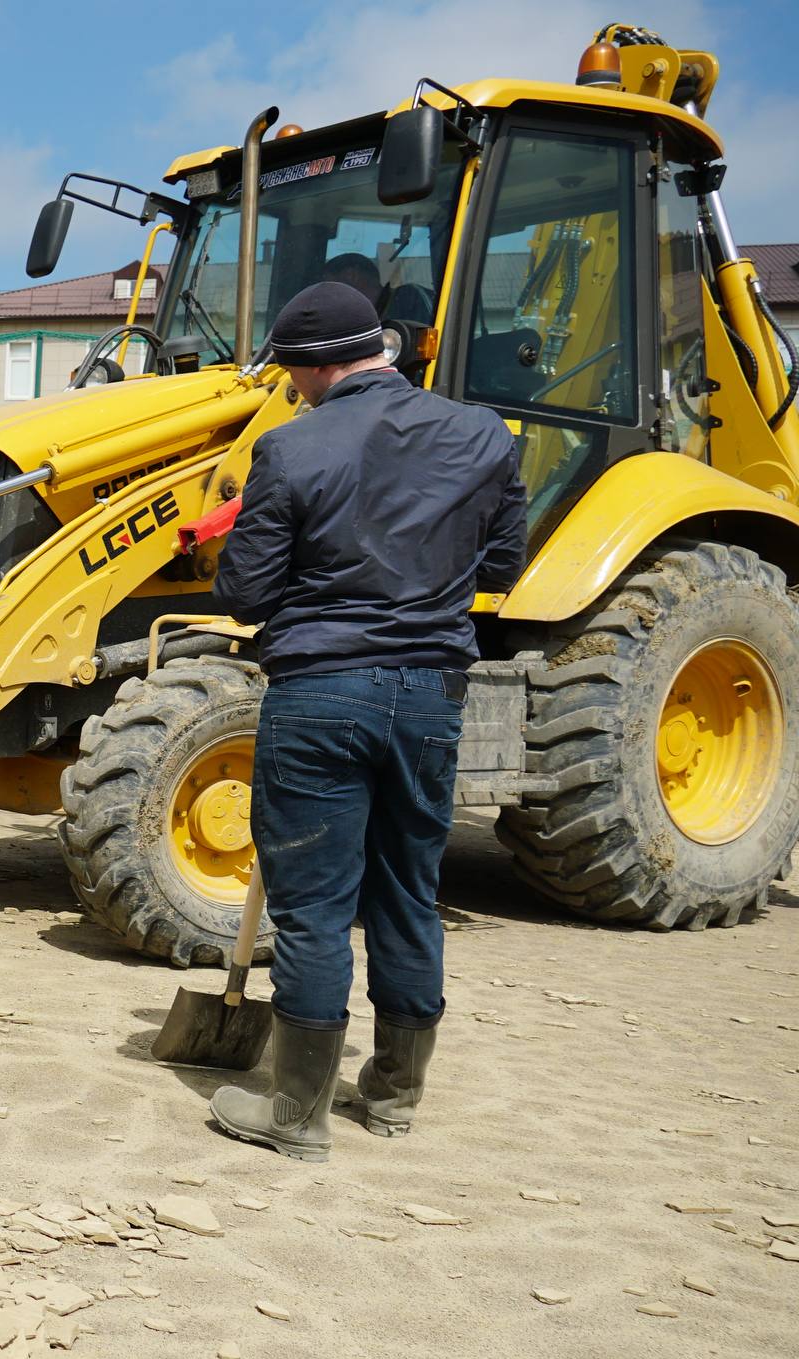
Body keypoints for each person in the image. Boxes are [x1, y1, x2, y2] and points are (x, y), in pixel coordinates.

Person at [207, 280, 526, 1163]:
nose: (293, 388)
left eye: (292, 374)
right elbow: (504, 564)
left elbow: (245, 595)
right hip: (431, 694)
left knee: (313, 907)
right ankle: (392, 1096)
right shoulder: (484, 435)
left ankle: (297, 1114)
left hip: (321, 692)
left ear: (314, 368)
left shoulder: (290, 447)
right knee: (409, 891)